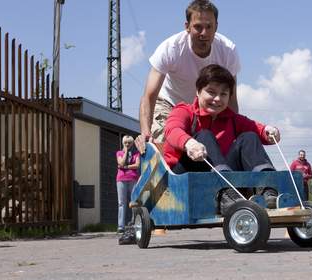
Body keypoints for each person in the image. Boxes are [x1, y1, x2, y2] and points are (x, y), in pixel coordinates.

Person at [162, 64, 279, 214]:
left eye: (223, 94)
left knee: (250, 136)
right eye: (211, 92)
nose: (217, 99)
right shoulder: (185, 111)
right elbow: (172, 130)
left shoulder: (232, 119)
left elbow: (258, 128)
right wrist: (189, 143)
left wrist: (269, 131)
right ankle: (226, 194)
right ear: (198, 92)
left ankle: (267, 189)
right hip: (184, 176)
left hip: (223, 176)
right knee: (205, 135)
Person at [136, 0, 241, 149]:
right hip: (169, 103)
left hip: (205, 107)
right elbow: (149, 96)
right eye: (198, 27)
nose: (203, 33)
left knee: (214, 146)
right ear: (187, 27)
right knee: (165, 144)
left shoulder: (228, 51)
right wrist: (146, 133)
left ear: (216, 27)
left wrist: (233, 133)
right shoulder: (171, 48)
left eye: (209, 27)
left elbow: (231, 99)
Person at [115, 135, 140, 233]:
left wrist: (126, 167)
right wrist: (125, 152)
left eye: (129, 142)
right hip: (121, 180)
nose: (127, 144)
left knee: (134, 202)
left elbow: (137, 165)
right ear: (123, 143)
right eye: (125, 142)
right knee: (121, 203)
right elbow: (121, 163)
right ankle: (121, 226)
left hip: (133, 179)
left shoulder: (136, 153)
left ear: (132, 143)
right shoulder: (119, 153)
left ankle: (135, 223)